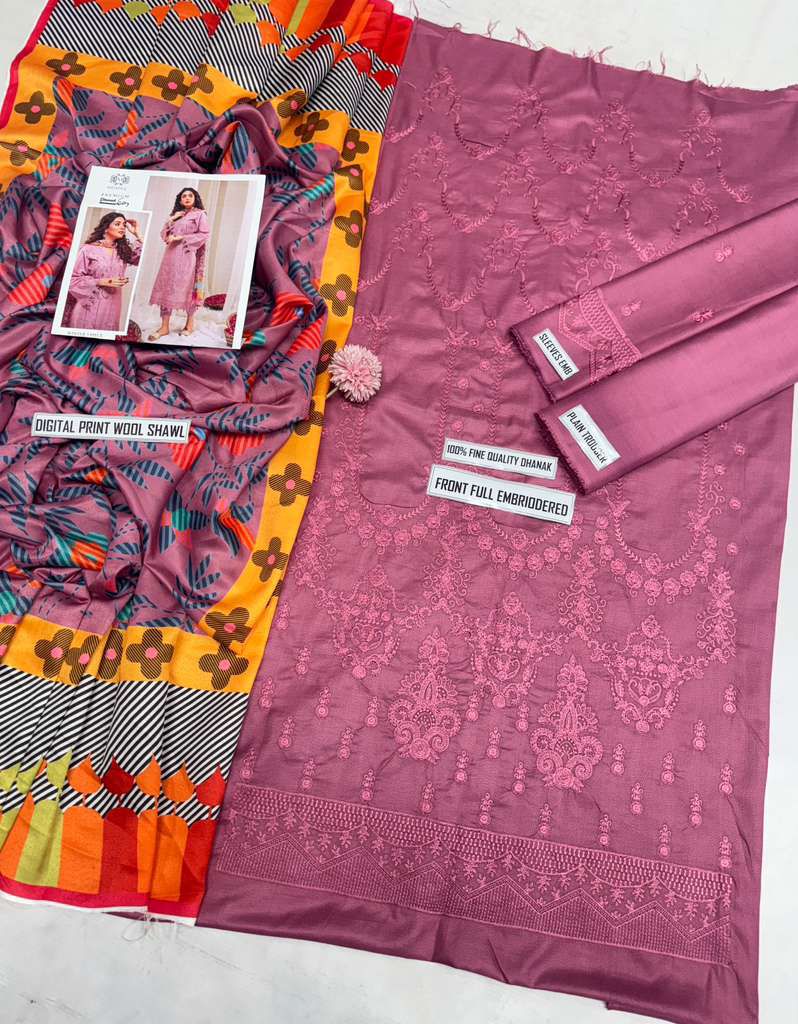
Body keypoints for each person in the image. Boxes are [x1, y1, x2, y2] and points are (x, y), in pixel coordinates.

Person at [148, 187, 209, 340]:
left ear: (195, 198)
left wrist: (181, 238)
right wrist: (172, 219)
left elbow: (204, 234)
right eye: (184, 196)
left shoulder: (200, 214)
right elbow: (164, 235)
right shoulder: (177, 215)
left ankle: (190, 324)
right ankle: (164, 327)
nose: (187, 198)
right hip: (170, 256)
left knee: (189, 287)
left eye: (190, 195)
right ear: (180, 200)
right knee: (166, 286)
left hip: (187, 255)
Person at [64, 212, 142, 332]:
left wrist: (137, 233)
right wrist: (102, 281)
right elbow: (72, 279)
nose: (122, 227)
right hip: (89, 305)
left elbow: (140, 258)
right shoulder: (88, 249)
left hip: (112, 307)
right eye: (117, 224)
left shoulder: (123, 251)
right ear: (106, 228)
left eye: (124, 225)